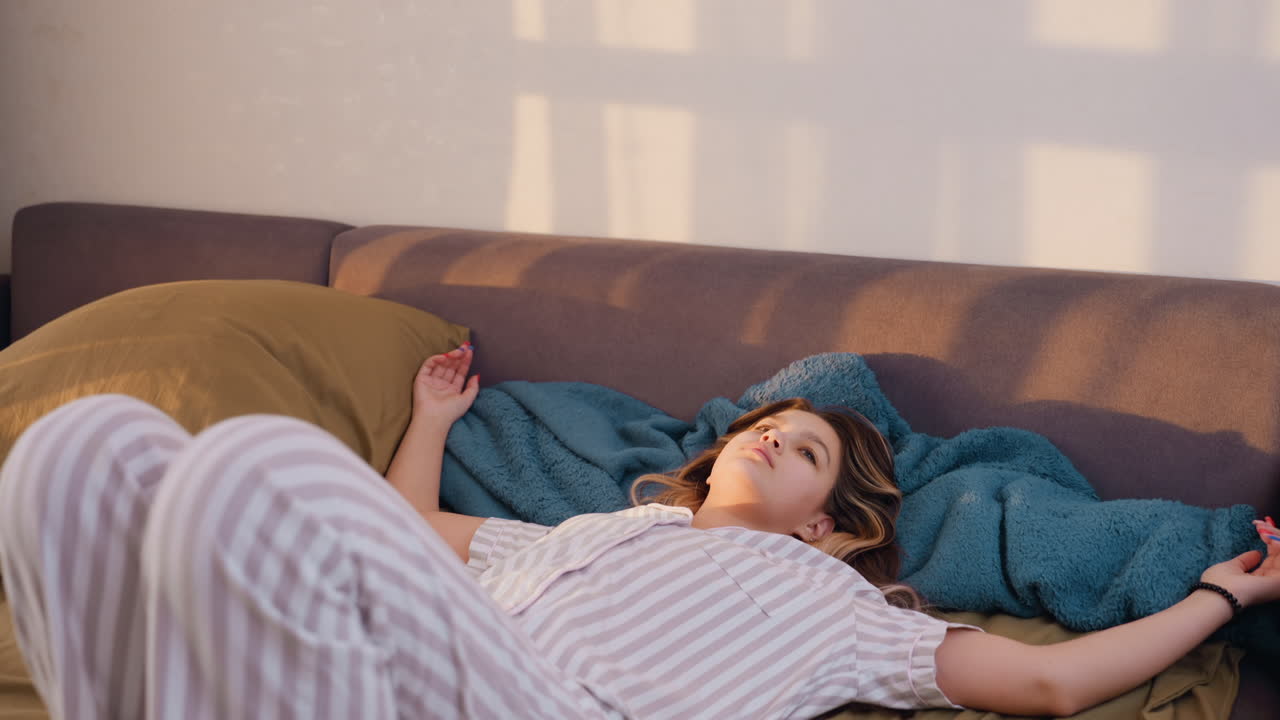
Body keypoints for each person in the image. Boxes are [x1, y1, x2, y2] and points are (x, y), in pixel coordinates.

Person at [0, 343, 1275, 719]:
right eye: (765, 428)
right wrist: (433, 418)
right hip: (431, 677)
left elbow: (1051, 683)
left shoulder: (843, 612)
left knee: (257, 465)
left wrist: (1220, 594)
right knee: (82, 446)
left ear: (828, 524)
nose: (771, 439)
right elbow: (405, 529)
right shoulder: (585, 532)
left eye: (806, 451)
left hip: (561, 714)